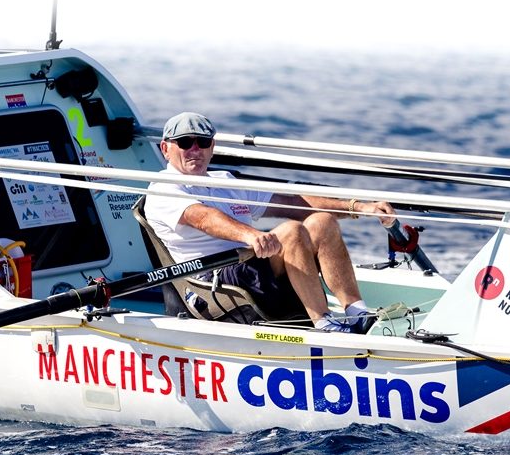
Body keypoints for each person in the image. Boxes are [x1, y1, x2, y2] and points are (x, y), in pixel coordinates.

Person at [144, 112, 397, 332]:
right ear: (166, 149)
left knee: (321, 221)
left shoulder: (225, 180)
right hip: (214, 278)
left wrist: (358, 207)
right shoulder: (163, 188)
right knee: (291, 231)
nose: (195, 149)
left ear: (212, 146)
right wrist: (250, 235)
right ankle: (324, 324)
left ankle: (357, 313)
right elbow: (203, 217)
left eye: (203, 142)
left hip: (250, 263)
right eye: (185, 142)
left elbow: (291, 202)